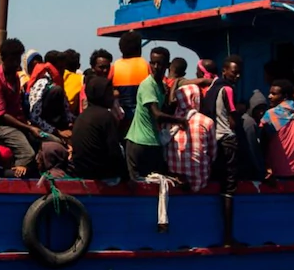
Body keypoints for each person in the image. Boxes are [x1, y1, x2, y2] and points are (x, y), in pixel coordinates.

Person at [0, 37, 41, 173]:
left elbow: (17, 107)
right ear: (3, 58)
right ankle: (16, 174)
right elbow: (1, 116)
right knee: (27, 153)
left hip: (14, 121)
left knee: (46, 140)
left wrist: (30, 126)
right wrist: (28, 129)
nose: (16, 63)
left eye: (17, 60)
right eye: (12, 60)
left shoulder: (15, 78)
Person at [122, 46, 172, 179]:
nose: (155, 67)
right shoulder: (148, 85)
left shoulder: (161, 86)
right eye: (152, 63)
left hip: (153, 143)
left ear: (168, 65)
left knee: (154, 183)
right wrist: (182, 121)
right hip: (138, 142)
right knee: (137, 185)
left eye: (159, 64)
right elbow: (157, 114)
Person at [68, 72, 128, 182]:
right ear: (101, 95)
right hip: (99, 172)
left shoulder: (83, 115)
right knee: (121, 148)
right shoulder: (106, 116)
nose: (112, 97)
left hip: (82, 170)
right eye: (109, 94)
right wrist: (127, 177)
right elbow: (114, 151)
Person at [160, 78, 215, 192]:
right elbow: (212, 154)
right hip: (199, 181)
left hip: (174, 180)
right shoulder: (207, 122)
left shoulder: (168, 123)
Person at [257, 79, 294, 180]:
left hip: (275, 172)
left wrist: (265, 168)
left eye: (274, 94)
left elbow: (261, 144)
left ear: (285, 96)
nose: (269, 96)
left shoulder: (270, 115)